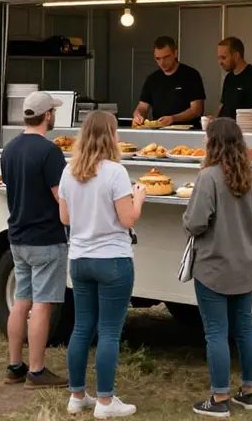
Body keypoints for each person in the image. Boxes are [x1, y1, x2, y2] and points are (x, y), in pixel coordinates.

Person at [58, 110, 145, 418]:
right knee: (109, 330)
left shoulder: (69, 171)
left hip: (80, 258)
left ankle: (77, 396)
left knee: (82, 327)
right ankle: (106, 402)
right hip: (113, 260)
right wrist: (139, 197)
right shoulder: (115, 172)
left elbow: (65, 218)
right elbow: (128, 218)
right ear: (111, 136)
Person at [182, 117, 252, 417]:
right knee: (245, 327)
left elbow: (194, 223)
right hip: (245, 266)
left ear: (214, 143)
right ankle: (250, 392)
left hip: (213, 268)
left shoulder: (208, 178)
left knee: (216, 332)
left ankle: (219, 399)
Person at [0, 91, 68, 389]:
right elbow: (59, 196)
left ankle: (15, 365)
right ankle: (37, 370)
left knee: (21, 301)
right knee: (42, 304)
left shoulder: (10, 148)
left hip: (17, 234)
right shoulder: (50, 152)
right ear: (48, 116)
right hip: (46, 237)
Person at [132, 36, 206, 128]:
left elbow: (197, 110)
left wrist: (173, 118)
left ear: (175, 53)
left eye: (166, 57)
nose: (162, 62)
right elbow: (143, 106)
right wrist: (138, 115)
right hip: (159, 131)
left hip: (187, 131)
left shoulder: (191, 75)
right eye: (158, 59)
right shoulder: (152, 79)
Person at [207, 38, 252, 121]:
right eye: (219, 58)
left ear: (236, 55)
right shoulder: (229, 77)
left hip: (243, 130)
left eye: (223, 58)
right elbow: (223, 105)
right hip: (226, 129)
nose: (220, 62)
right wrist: (216, 120)